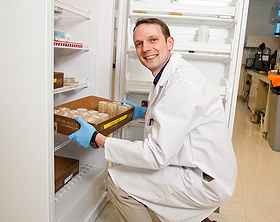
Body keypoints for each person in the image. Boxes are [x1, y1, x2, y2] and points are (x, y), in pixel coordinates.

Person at [68, 18, 237, 222]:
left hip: (203, 180)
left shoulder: (182, 84)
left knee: (116, 178)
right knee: (150, 187)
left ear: (169, 43)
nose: (146, 48)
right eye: (139, 43)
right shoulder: (171, 75)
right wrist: (146, 113)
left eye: (153, 40)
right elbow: (176, 119)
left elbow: (156, 155)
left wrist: (98, 139)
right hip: (198, 168)